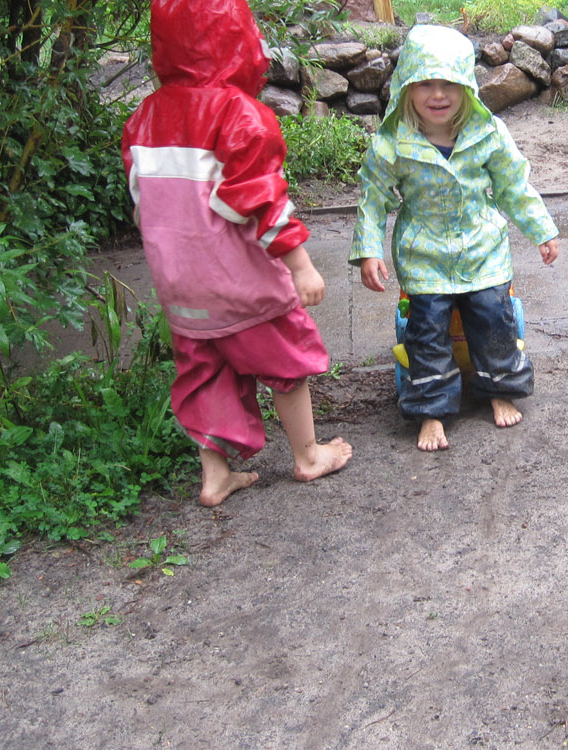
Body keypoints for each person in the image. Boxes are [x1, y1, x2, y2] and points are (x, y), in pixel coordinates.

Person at [121, 0, 351, 507]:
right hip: (238, 281)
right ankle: (309, 454)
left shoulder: (146, 116)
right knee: (286, 361)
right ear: (237, 41)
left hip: (179, 285)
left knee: (205, 371)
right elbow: (262, 199)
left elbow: (142, 197)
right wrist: (300, 264)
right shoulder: (238, 113)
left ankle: (216, 475)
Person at [351, 24, 560, 453]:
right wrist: (369, 250)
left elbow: (513, 187)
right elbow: (372, 199)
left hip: (482, 248)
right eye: (425, 83)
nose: (438, 94)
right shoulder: (393, 143)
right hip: (424, 255)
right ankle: (431, 409)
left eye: (450, 83)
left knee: (493, 316)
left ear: (467, 86)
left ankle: (499, 387)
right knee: (426, 329)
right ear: (407, 86)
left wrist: (541, 228)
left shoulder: (488, 133)